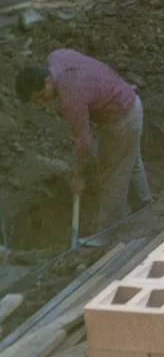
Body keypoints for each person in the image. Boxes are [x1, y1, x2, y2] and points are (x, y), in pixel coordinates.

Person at [16, 49, 150, 235]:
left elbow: (85, 143)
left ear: (47, 82)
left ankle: (108, 233)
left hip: (122, 119)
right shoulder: (56, 56)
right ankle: (144, 205)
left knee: (112, 176)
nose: (41, 103)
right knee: (130, 159)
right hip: (129, 101)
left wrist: (78, 176)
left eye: (40, 96)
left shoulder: (70, 98)